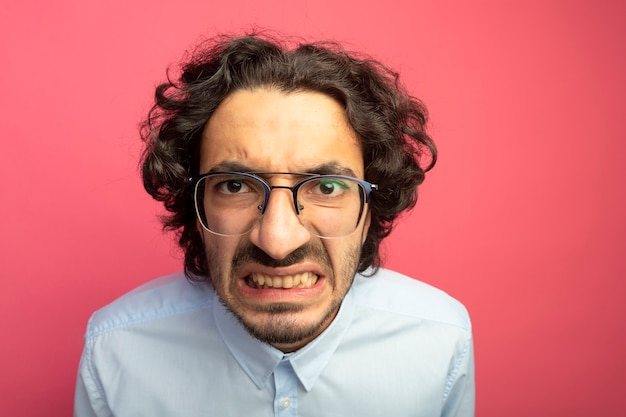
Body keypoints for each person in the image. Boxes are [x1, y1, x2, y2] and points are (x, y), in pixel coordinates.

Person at [74, 32, 474, 417]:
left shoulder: (440, 341)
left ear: (370, 208)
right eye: (235, 186)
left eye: (328, 186)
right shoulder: (115, 352)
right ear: (197, 210)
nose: (278, 240)